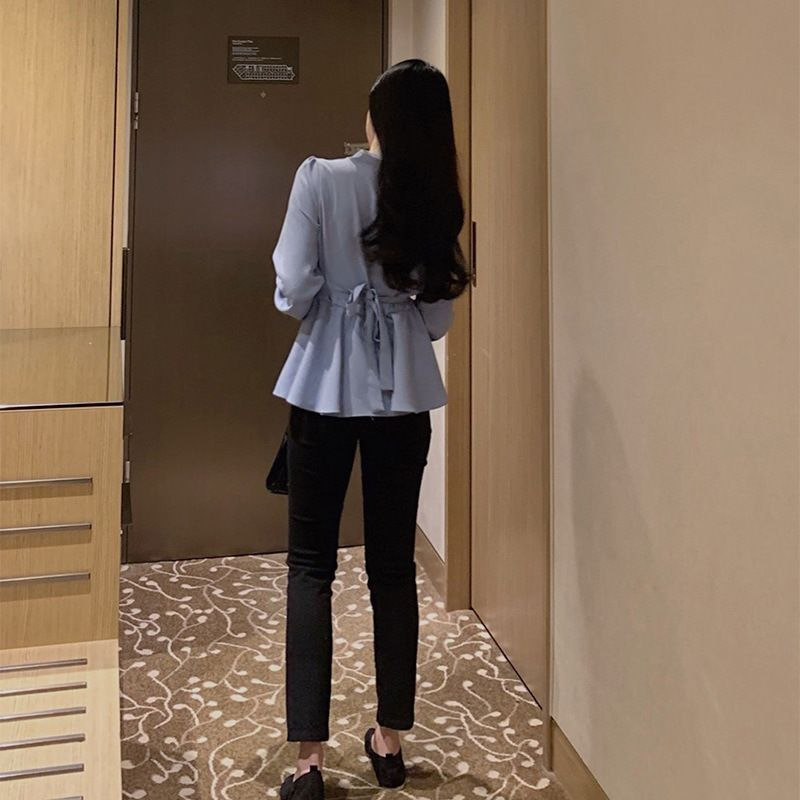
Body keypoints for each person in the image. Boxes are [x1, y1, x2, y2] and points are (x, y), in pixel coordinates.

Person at [271, 59, 470, 800]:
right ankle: (389, 740)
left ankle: (308, 760)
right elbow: (438, 317)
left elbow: (293, 288)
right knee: (392, 567)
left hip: (323, 386)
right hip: (402, 397)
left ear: (377, 117)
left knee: (310, 566)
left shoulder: (320, 179)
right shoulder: (431, 198)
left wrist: (333, 296)